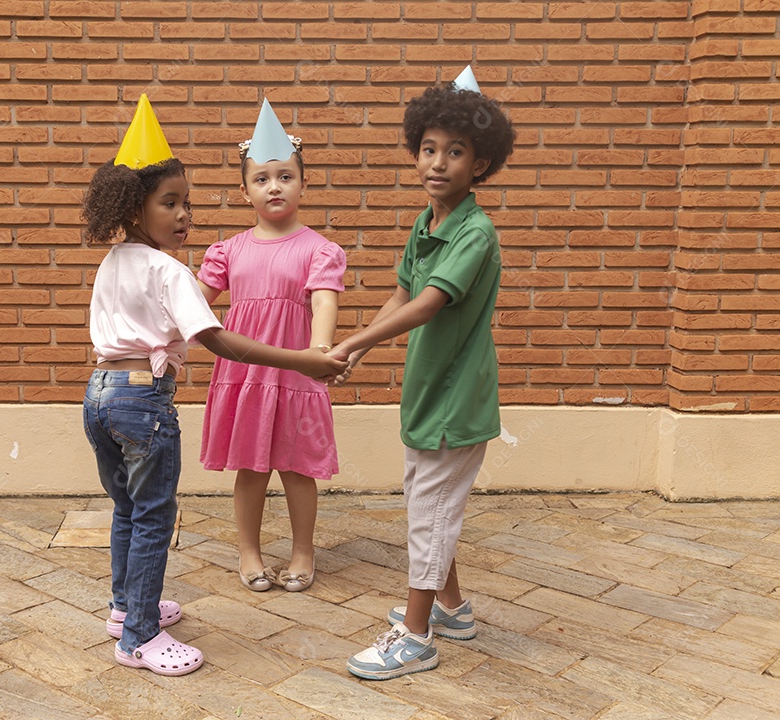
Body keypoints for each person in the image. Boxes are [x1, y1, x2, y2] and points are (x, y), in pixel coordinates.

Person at [81, 94, 346, 677]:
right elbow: (218, 338)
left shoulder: (111, 262)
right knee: (153, 515)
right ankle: (140, 640)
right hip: (141, 401)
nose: (183, 216)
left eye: (187, 205)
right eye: (170, 204)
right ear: (134, 208)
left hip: (99, 393)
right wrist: (303, 359)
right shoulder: (171, 269)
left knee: (126, 508)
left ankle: (124, 610)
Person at [331, 67, 516, 680]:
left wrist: (355, 339)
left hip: (456, 402)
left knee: (428, 512)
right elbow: (404, 291)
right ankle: (452, 609)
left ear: (481, 163)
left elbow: (430, 302)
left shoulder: (475, 232)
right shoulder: (427, 220)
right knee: (428, 503)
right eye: (429, 149)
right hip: (427, 395)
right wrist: (357, 348)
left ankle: (415, 636)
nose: (438, 163)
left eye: (455, 151)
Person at [197, 100, 347, 594]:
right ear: (244, 191)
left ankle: (303, 551)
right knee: (250, 466)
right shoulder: (228, 250)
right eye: (262, 179)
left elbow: (324, 302)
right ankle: (250, 552)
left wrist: (321, 352)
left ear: (302, 184)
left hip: (297, 372)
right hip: (245, 375)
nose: (274, 186)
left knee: (298, 466)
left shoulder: (319, 249)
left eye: (285, 176)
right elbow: (194, 305)